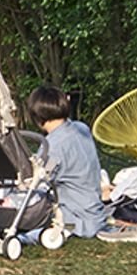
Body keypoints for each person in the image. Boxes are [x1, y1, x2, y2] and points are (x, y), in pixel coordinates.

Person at [28, 84, 108, 239]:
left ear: (37, 116)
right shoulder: (81, 128)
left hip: (76, 222)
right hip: (96, 215)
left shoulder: (52, 147)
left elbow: (39, 181)